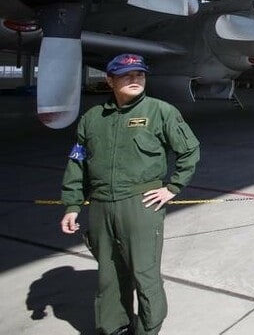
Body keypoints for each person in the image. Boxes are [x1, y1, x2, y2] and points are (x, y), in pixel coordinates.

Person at [60, 53, 200, 335]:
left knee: (144, 275)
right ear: (109, 80)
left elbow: (189, 150)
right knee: (109, 276)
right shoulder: (92, 119)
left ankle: (148, 330)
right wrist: (72, 205)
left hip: (140, 205)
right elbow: (78, 163)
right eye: (127, 75)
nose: (135, 79)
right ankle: (115, 328)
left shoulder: (161, 111)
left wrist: (172, 188)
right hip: (100, 206)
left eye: (140, 74)